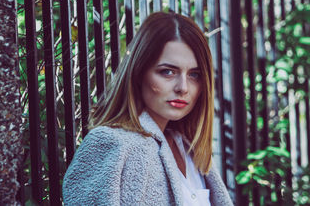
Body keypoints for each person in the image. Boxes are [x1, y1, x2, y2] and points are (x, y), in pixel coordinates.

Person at [62, 12, 233, 205]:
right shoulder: (112, 143)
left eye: (194, 75)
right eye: (168, 72)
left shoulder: (188, 148)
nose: (183, 87)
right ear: (139, 72)